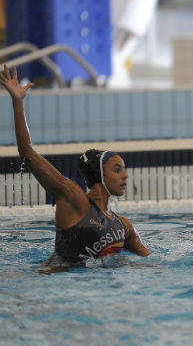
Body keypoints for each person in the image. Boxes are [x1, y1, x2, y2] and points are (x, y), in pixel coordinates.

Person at [0, 65, 151, 269]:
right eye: (117, 170)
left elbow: (153, 264)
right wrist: (17, 102)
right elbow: (28, 153)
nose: (125, 176)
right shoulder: (74, 198)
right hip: (51, 284)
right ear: (99, 173)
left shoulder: (123, 227)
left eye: (124, 170)